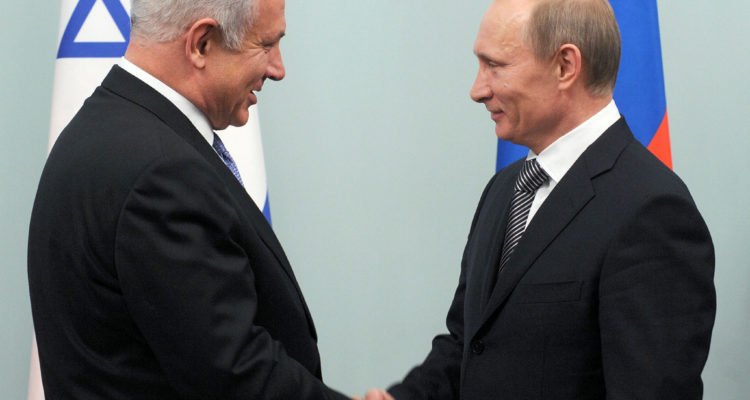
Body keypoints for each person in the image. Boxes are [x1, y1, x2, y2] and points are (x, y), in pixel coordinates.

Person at [366, 0, 716, 399]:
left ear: (565, 66)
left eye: (495, 65)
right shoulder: (504, 190)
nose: (477, 90)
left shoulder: (651, 211)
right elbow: (470, 346)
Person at [27, 0, 351, 398]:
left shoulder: (104, 129)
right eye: (266, 45)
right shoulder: (162, 176)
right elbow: (235, 376)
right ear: (201, 43)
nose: (277, 68)